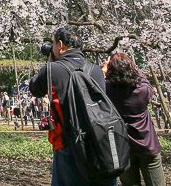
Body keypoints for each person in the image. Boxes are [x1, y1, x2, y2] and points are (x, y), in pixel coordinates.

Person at [29, 26, 116, 186]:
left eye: (54, 44)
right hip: (98, 140)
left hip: (68, 143)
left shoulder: (52, 69)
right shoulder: (95, 70)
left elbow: (34, 88)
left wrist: (50, 62)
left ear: (60, 45)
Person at [103, 53, 165, 186]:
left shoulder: (107, 90)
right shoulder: (143, 90)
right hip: (147, 145)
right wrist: (132, 66)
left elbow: (99, 84)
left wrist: (105, 70)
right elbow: (143, 79)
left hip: (123, 147)